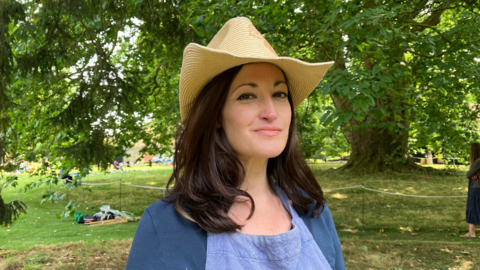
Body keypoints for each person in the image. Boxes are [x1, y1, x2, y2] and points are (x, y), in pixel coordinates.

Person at [126, 17, 345, 269]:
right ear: (215, 114)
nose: (271, 112)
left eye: (279, 94)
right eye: (247, 96)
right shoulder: (166, 226)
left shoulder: (314, 211)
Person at [461, 142, 480, 238]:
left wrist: (471, 174)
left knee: (472, 208)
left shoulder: (478, 161)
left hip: (476, 188)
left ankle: (471, 233)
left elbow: (468, 174)